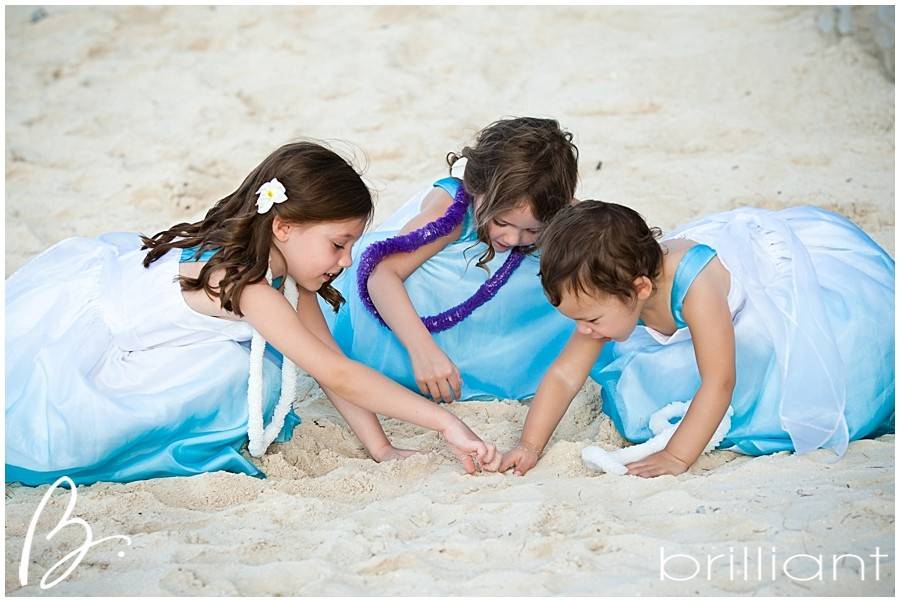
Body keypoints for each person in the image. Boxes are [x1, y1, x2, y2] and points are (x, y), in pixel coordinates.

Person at [6, 141, 496, 486]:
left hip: (143, 330)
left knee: (242, 364)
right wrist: (445, 423)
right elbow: (337, 372)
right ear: (283, 227)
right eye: (338, 244)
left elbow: (331, 366)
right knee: (224, 374)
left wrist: (381, 448)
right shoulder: (248, 285)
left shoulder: (291, 274)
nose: (346, 261)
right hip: (92, 340)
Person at [500, 200, 895, 477]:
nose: (583, 331)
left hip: (764, 291)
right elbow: (566, 375)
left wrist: (676, 455)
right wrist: (529, 446)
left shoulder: (696, 287)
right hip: (659, 298)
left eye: (590, 320)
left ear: (638, 289)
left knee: (775, 379)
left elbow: (720, 380)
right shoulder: (605, 294)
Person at [325, 117, 579, 408]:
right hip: (413, 316)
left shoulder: (548, 204)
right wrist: (424, 353)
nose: (511, 238)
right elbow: (381, 274)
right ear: (476, 188)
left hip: (490, 316)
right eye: (501, 222)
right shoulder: (451, 208)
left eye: (532, 230)